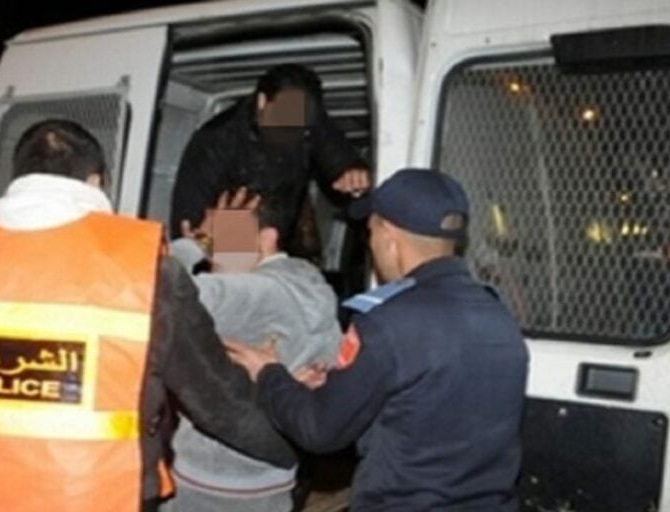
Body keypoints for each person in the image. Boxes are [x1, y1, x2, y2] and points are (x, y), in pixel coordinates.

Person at [0, 119, 296, 512]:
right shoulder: (146, 274)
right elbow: (221, 404)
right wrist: (296, 447)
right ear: (96, 181)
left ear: (19, 179)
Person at [225, 168, 530, 511]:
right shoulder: (499, 315)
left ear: (388, 236)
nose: (370, 244)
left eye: (371, 231)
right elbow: (433, 410)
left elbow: (320, 430)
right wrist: (344, 386)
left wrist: (269, 374)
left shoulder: (387, 323)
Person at [164, 188, 342, 512]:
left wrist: (195, 243)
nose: (215, 248)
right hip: (273, 479)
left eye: (224, 235)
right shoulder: (310, 285)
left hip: (213, 486)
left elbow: (156, 285)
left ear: (267, 238)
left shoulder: (257, 294)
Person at [168, 64, 370, 259]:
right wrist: (208, 246)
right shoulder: (216, 140)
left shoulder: (310, 119)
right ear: (262, 101)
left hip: (278, 238)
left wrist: (352, 171)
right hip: (231, 235)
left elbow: (338, 156)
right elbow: (189, 227)